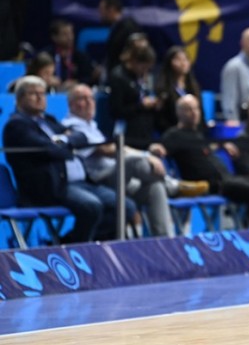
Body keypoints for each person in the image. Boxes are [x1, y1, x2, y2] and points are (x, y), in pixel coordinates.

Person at [62, 84, 209, 238]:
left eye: (91, 98)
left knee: (155, 187)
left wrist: (145, 154)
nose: (89, 102)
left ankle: (166, 240)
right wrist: (146, 155)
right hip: (99, 180)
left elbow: (117, 148)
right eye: (83, 99)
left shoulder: (92, 126)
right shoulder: (71, 126)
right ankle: (174, 186)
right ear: (71, 104)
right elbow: (108, 150)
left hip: (121, 179)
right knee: (133, 161)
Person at [2, 76, 135, 242]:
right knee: (92, 206)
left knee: (126, 206)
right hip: (50, 187)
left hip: (81, 182)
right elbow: (49, 150)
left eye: (42, 93)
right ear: (20, 98)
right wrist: (64, 143)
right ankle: (80, 248)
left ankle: (72, 243)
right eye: (33, 94)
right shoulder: (16, 125)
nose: (40, 98)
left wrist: (61, 141)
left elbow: (80, 137)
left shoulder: (48, 120)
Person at [162, 94, 249, 228]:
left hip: (228, 178)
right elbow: (160, 148)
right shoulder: (173, 135)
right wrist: (156, 149)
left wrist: (222, 145)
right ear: (178, 112)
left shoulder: (199, 134)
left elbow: (209, 148)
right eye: (188, 109)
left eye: (196, 108)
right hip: (212, 185)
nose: (194, 113)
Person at [108, 44, 160, 150]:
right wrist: (141, 106)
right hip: (128, 131)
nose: (145, 72)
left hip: (145, 130)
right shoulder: (118, 77)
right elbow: (116, 111)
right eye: (143, 68)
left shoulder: (139, 76)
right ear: (134, 61)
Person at [155, 45, 205, 134]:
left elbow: (201, 114)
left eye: (185, 59)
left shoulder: (193, 86)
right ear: (169, 62)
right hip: (173, 133)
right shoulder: (164, 88)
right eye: (178, 59)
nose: (183, 63)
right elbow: (161, 117)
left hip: (194, 133)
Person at [44, 19, 100, 89]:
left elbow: (88, 77)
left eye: (71, 33)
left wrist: (77, 82)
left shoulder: (81, 56)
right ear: (54, 37)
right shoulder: (46, 55)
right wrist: (47, 79)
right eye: (65, 34)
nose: (70, 37)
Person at [99, 0, 143, 76]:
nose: (100, 13)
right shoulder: (115, 28)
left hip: (125, 76)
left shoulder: (129, 27)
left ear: (111, 9)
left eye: (101, 9)